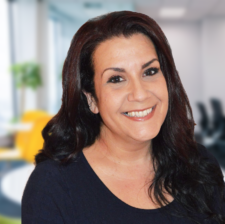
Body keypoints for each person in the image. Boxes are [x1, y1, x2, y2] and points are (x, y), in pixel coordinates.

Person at [21, 11, 225, 223]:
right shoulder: (53, 187)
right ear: (91, 99)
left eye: (150, 72)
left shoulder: (199, 165)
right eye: (116, 79)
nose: (140, 94)